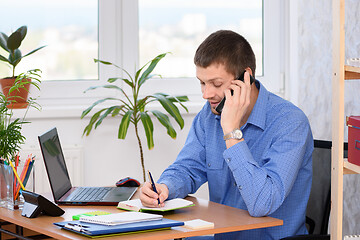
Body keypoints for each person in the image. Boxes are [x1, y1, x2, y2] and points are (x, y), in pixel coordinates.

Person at [140, 30, 313, 239]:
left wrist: (232, 132)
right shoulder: (208, 116)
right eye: (202, 83)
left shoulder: (289, 122)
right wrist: (164, 187)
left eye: (216, 84)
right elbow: (188, 167)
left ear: (245, 77)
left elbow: (262, 203)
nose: (206, 94)